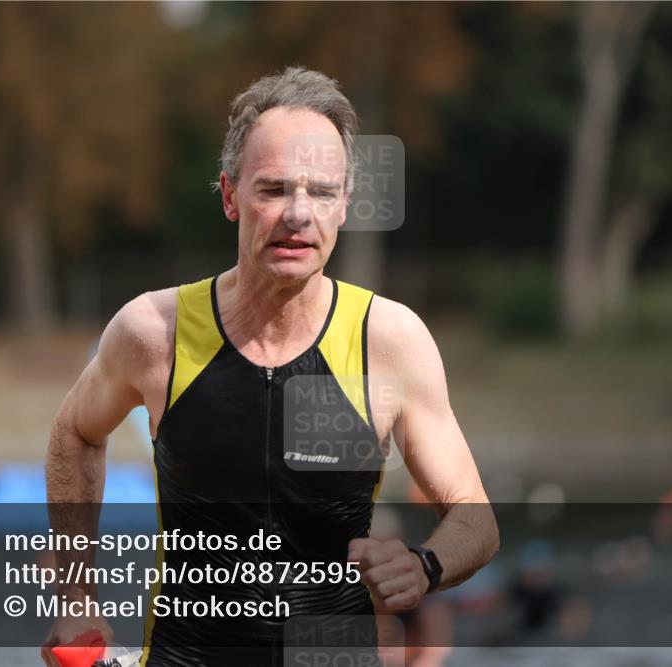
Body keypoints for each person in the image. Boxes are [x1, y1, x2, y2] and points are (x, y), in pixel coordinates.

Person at [41, 66, 499, 667]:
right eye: (275, 188)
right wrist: (73, 595)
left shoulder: (388, 341)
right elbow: (74, 433)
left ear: (344, 205)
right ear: (231, 196)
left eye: (321, 192)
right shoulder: (155, 332)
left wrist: (424, 566)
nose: (298, 214)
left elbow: (476, 519)